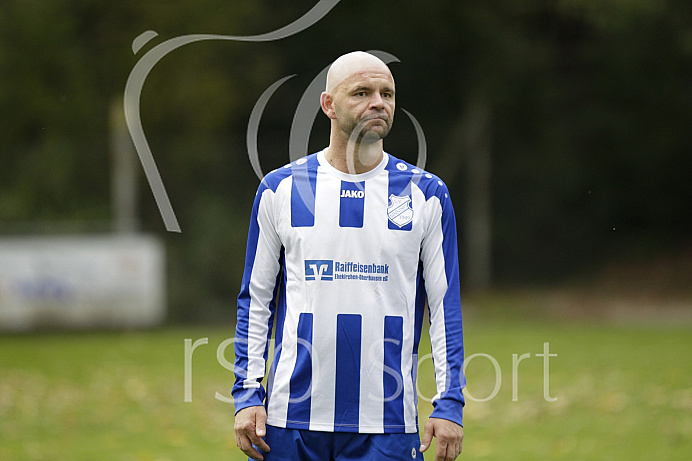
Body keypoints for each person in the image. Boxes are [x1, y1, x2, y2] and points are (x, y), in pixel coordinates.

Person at [233, 51, 465, 461]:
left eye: (387, 93)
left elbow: (445, 309)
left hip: (388, 422)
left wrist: (449, 405)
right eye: (362, 92)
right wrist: (248, 393)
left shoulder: (426, 194)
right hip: (290, 421)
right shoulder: (280, 189)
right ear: (328, 104)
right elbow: (256, 301)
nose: (378, 102)